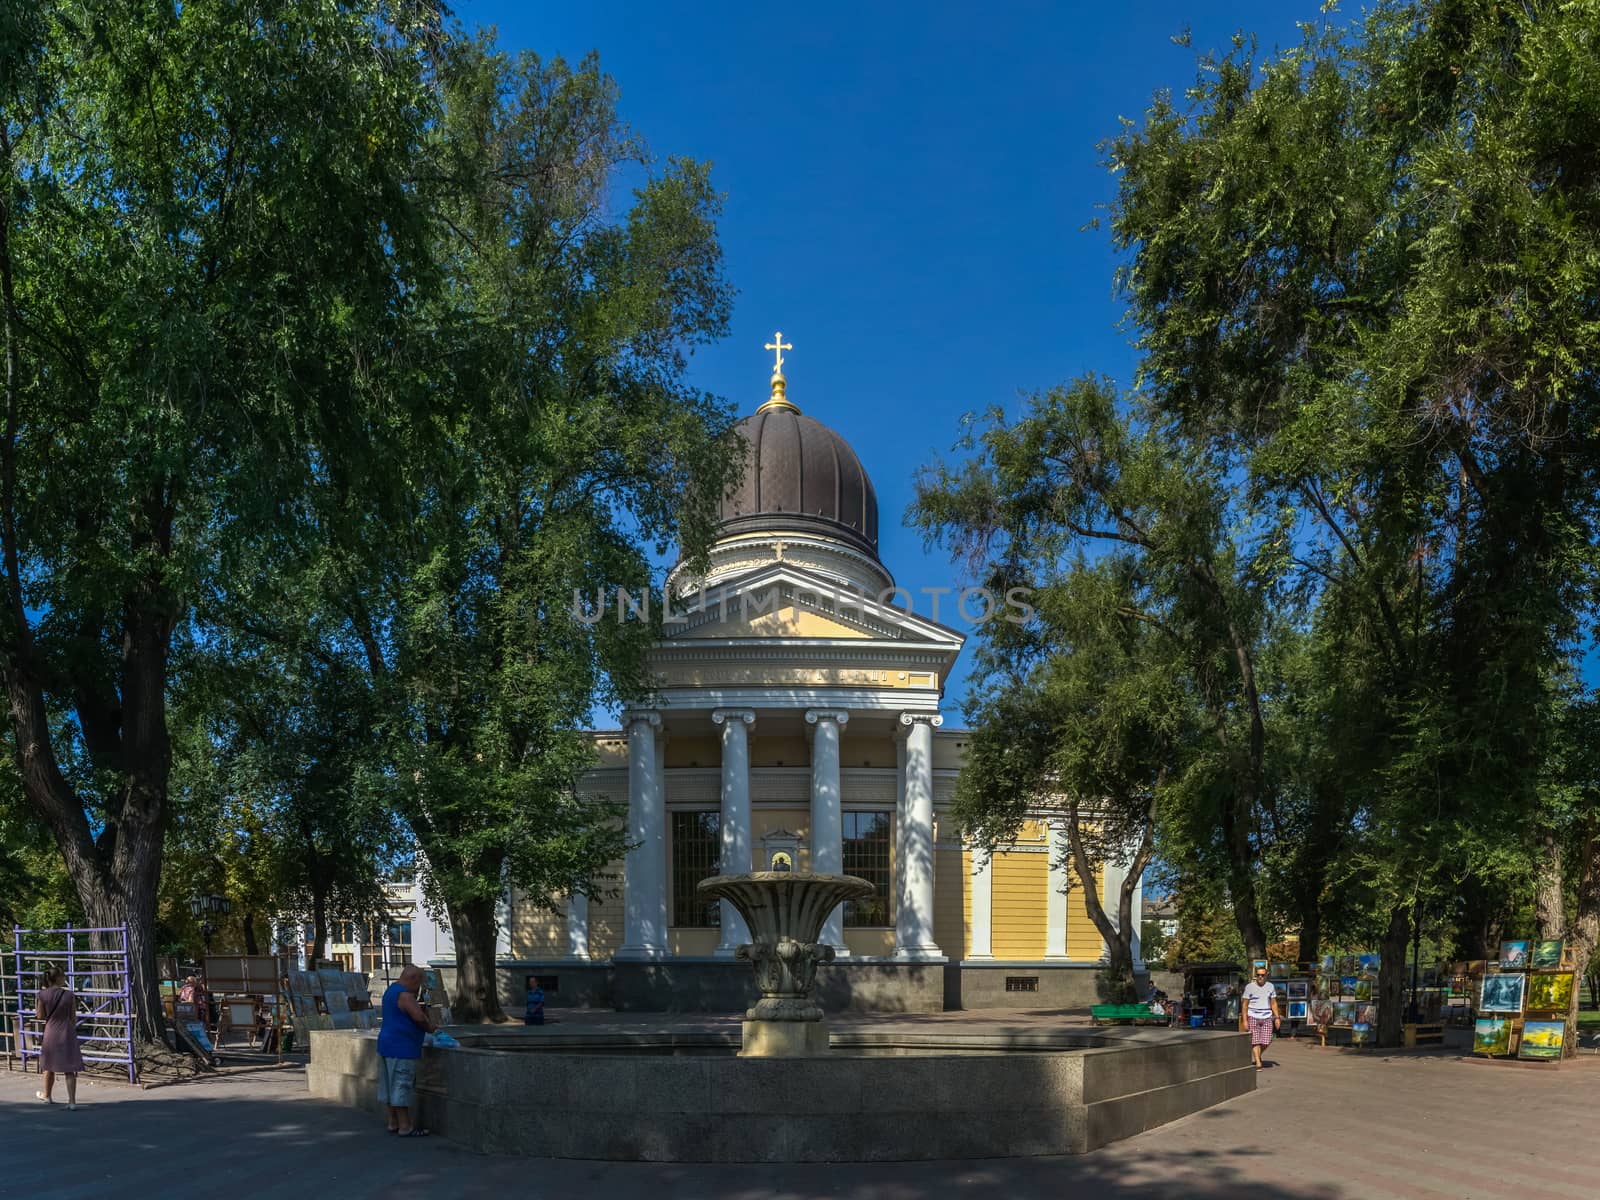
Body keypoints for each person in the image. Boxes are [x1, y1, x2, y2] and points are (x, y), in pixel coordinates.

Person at [377, 963, 437, 1137]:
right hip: (402, 1047)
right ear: (413, 979)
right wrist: (430, 1026)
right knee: (401, 1086)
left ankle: (393, 1122)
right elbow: (418, 1017)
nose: (418, 988)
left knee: (389, 1086)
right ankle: (405, 1126)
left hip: (386, 1045)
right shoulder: (405, 995)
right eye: (419, 983)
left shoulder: (391, 991)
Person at [34, 966, 85, 1110]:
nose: (65, 979)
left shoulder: (42, 994)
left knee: (48, 1066)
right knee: (69, 1068)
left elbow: (40, 1016)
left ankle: (47, 1096)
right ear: (58, 978)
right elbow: (73, 1017)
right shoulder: (69, 995)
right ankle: (72, 1101)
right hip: (66, 1031)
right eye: (63, 976)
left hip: (50, 1032)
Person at [1243, 964, 1281, 1069]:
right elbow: (1245, 1005)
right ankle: (1258, 1062)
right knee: (1255, 1040)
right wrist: (1245, 1021)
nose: (1260, 977)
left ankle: (1257, 1056)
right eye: (1258, 975)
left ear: (1266, 975)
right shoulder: (1249, 987)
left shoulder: (1270, 986)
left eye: (1262, 975)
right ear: (1256, 975)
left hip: (1267, 1016)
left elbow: (1273, 1003)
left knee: (1267, 1040)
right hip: (1253, 1015)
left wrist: (1277, 1017)